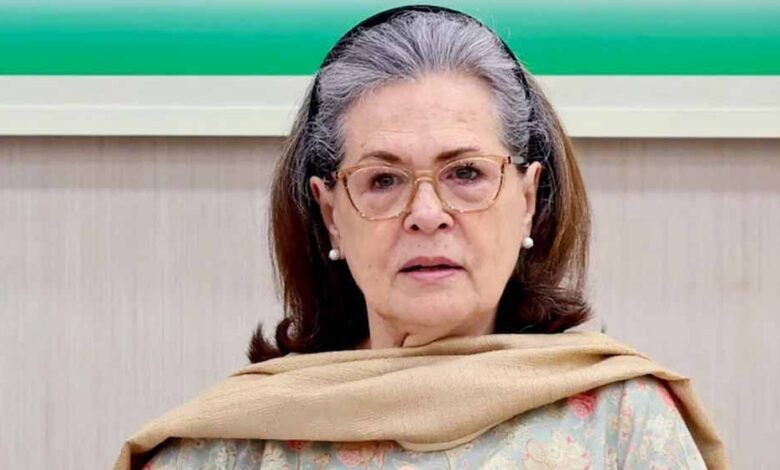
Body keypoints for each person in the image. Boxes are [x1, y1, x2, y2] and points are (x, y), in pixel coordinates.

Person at [115, 5, 728, 469]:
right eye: (383, 179)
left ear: (526, 201)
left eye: (466, 173)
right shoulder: (230, 444)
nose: (426, 214)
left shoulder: (623, 421)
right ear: (331, 214)